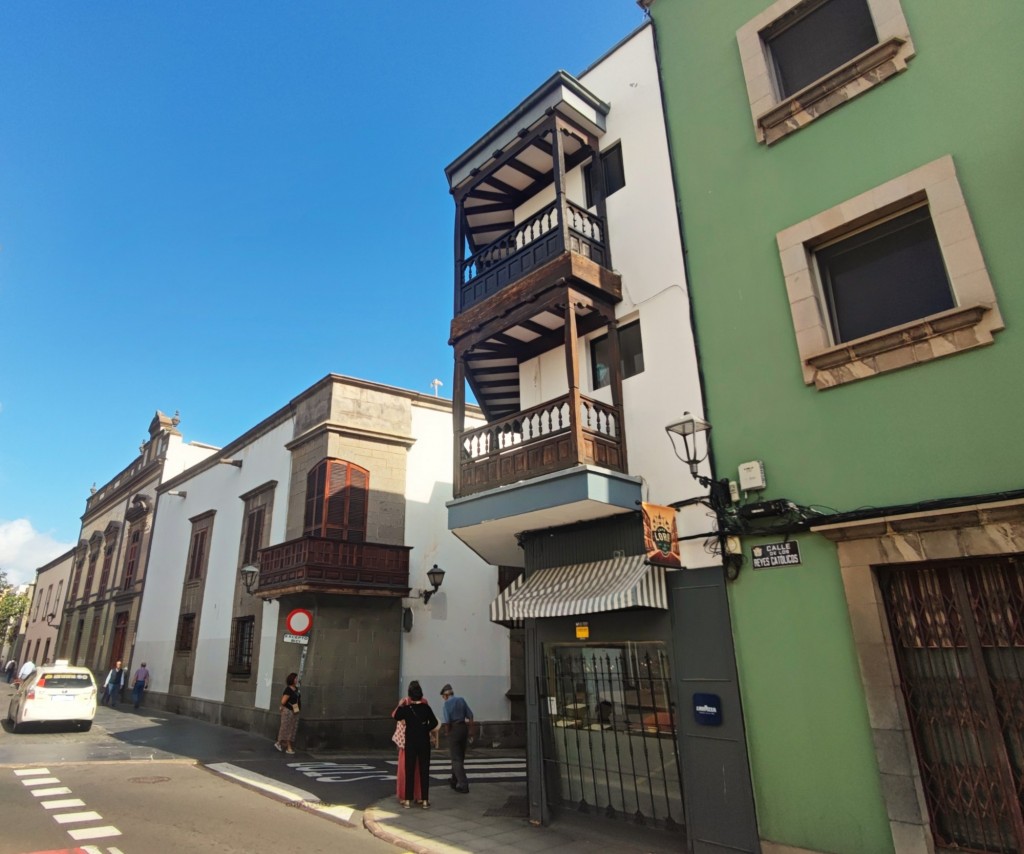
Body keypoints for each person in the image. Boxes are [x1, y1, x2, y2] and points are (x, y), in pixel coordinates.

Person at [393, 680, 438, 809]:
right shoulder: (426, 708)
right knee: (424, 770)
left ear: (410, 695)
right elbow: (434, 722)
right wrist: (425, 728)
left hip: (411, 743)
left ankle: (407, 799)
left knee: (409, 770)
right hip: (424, 742)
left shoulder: (407, 709)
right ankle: (424, 800)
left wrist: (401, 705)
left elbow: (396, 716)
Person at [440, 683, 474, 794]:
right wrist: (471, 730)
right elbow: (470, 715)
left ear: (445, 695)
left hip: (454, 729)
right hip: (463, 728)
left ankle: (463, 785)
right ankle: (454, 780)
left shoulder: (446, 704)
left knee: (456, 758)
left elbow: (447, 722)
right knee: (460, 756)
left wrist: (447, 732)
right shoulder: (461, 700)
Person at [274, 672, 301, 755]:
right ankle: (286, 746)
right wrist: (283, 707)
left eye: (297, 678)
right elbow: (283, 701)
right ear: (291, 679)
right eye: (295, 678)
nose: (296, 680)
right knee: (286, 727)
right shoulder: (288, 689)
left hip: (295, 711)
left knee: (292, 728)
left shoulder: (296, 689)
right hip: (288, 711)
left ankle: (281, 743)